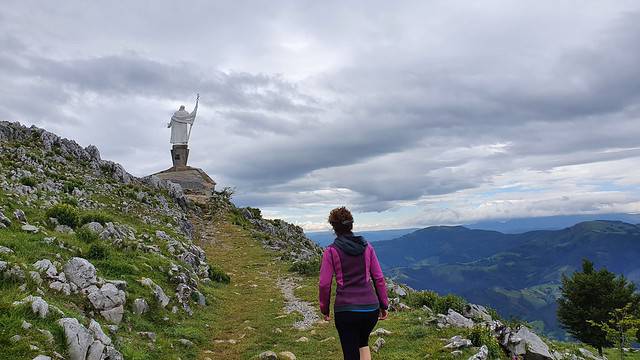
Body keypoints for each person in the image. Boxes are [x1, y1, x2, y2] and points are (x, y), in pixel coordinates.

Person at [319, 207, 389, 360]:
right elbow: (378, 278)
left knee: (350, 353)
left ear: (333, 227)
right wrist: (383, 305)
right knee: (362, 342)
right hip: (370, 309)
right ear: (351, 225)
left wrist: (325, 309)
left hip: (346, 310)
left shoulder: (331, 251)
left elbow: (324, 284)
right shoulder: (367, 247)